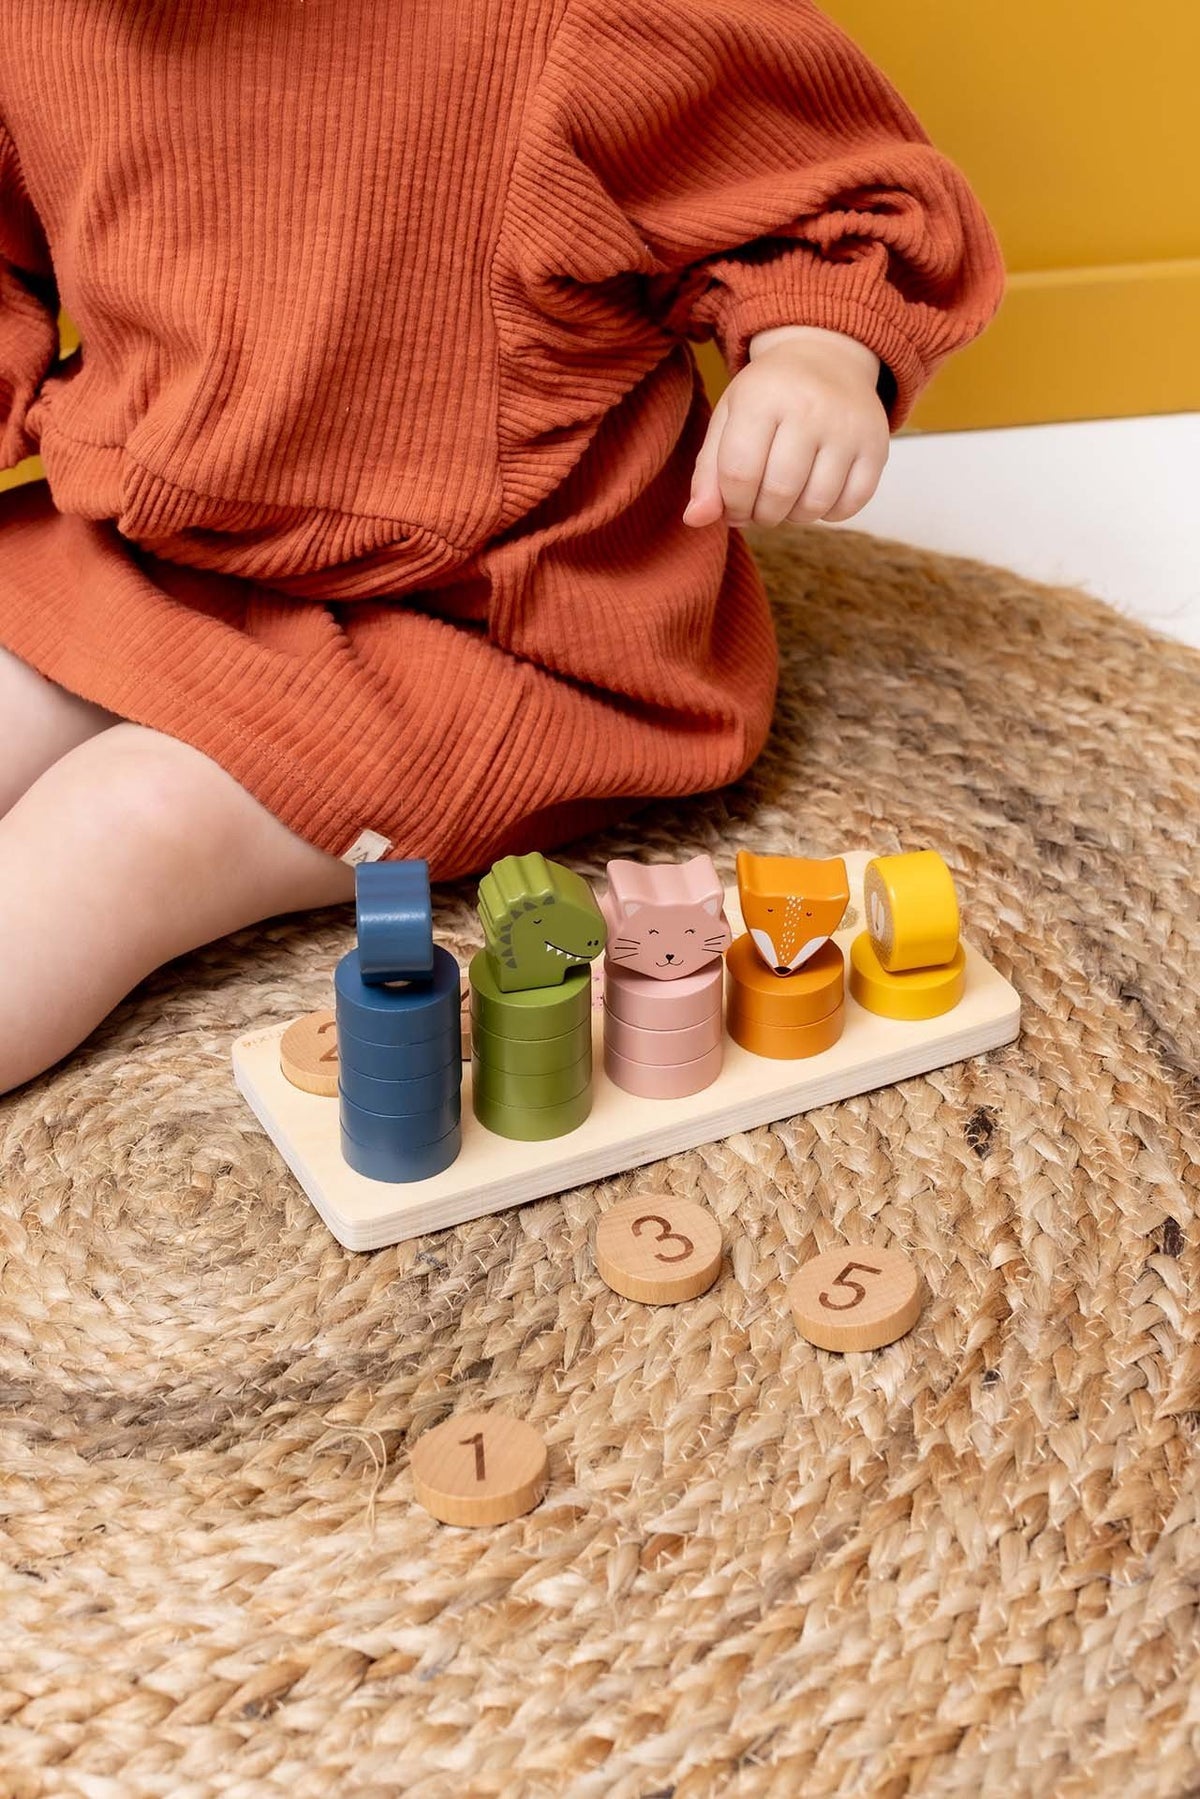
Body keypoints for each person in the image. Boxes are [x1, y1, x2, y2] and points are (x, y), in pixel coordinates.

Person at [0, 0, 1005, 1092]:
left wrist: (817, 356)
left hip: (497, 622)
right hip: (161, 538)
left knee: (126, 824)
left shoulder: (569, 25)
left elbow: (820, 193)